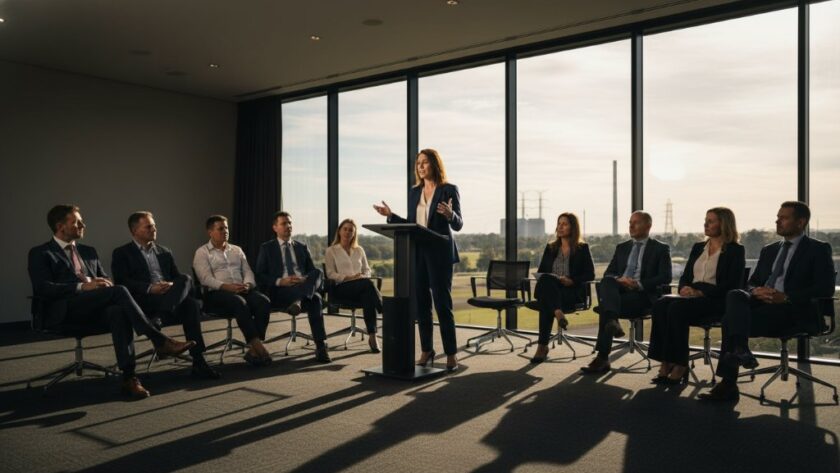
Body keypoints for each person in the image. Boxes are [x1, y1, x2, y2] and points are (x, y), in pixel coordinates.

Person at [28, 205, 195, 398]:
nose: (83, 224)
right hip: (65, 309)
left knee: (118, 310)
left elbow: (106, 279)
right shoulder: (41, 253)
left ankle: (129, 377)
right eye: (76, 222)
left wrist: (102, 283)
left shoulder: (88, 251)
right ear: (60, 226)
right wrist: (82, 287)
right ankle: (159, 339)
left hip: (94, 307)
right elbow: (43, 288)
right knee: (120, 291)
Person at [699, 201, 835, 401]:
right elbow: (751, 283)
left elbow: (825, 288)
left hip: (792, 309)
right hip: (762, 304)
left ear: (801, 222)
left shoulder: (818, 249)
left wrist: (786, 296)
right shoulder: (769, 250)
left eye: (784, 218)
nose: (777, 221)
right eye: (778, 216)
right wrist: (756, 291)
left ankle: (729, 383)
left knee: (730, 321)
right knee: (735, 294)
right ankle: (740, 350)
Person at [373, 148, 463, 372]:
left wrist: (450, 215)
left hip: (439, 254)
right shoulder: (414, 192)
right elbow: (413, 223)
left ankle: (451, 353)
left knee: (443, 304)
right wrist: (390, 216)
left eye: (425, 162)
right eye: (418, 163)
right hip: (418, 253)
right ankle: (426, 349)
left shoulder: (449, 190)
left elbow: (458, 224)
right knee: (422, 304)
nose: (421, 167)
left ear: (434, 164)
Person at [111, 211, 219, 380]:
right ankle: (162, 323)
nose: (154, 229)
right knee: (190, 303)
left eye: (154, 225)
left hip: (168, 298)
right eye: (148, 226)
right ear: (134, 231)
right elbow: (122, 282)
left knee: (186, 282)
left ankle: (198, 361)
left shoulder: (164, 251)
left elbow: (177, 278)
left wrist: (170, 285)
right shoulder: (122, 253)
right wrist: (150, 288)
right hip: (143, 301)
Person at [647, 207, 745, 384]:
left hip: (716, 300)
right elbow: (686, 277)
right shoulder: (698, 247)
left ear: (723, 224)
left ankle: (680, 364)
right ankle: (666, 361)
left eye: (711, 221)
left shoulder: (735, 250)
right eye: (706, 220)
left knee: (676, 308)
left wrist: (701, 291)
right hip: (692, 297)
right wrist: (684, 288)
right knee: (661, 304)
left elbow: (732, 285)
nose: (705, 224)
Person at [581, 210, 672, 374]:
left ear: (648, 226)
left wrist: (638, 284)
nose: (631, 226)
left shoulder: (660, 248)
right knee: (608, 281)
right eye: (630, 222)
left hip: (642, 295)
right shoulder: (622, 247)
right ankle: (612, 322)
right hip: (619, 292)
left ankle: (602, 357)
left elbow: (665, 277)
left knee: (606, 308)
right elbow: (609, 273)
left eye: (635, 222)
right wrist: (620, 280)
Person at [194, 215, 273, 366]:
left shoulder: (237, 250)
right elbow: (205, 279)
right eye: (221, 228)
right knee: (239, 302)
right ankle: (258, 347)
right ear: (210, 232)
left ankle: (253, 348)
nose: (225, 231)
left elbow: (248, 271)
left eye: (227, 228)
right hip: (216, 294)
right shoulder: (202, 252)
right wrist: (226, 287)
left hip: (241, 289)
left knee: (263, 301)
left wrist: (248, 285)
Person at [255, 211, 331, 363]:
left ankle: (320, 345)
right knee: (315, 298)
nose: (288, 226)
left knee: (319, 272)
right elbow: (260, 275)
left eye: (290, 223)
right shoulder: (267, 248)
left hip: (301, 286)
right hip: (280, 291)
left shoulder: (301, 247)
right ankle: (321, 346)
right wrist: (280, 281)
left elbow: (312, 272)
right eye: (284, 223)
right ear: (275, 227)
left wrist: (303, 279)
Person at [530, 212, 595, 363]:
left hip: (570, 292)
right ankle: (558, 312)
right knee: (547, 278)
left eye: (564, 224)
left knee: (547, 303)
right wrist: (553, 279)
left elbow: (590, 275)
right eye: (559, 223)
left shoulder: (582, 248)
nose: (560, 227)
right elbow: (542, 273)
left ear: (573, 228)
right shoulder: (551, 248)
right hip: (551, 288)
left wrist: (571, 280)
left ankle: (542, 347)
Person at [324, 218, 382, 353]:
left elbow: (367, 270)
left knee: (368, 295)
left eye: (351, 230)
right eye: (345, 229)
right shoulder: (331, 250)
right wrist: (350, 277)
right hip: (341, 288)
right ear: (339, 231)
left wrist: (361, 277)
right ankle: (383, 309)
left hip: (361, 286)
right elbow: (330, 273)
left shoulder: (359, 250)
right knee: (367, 286)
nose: (347, 232)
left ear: (354, 233)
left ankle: (372, 336)